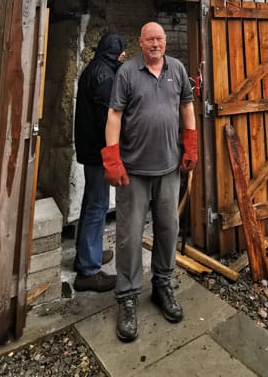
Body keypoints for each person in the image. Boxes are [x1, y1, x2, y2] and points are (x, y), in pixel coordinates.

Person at [102, 21, 197, 343]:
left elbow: (187, 105)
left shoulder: (178, 70)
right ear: (140, 43)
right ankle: (127, 297)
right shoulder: (127, 73)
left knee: (168, 229)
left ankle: (162, 285)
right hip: (133, 171)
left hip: (168, 168)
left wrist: (191, 143)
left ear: (165, 41)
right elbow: (114, 115)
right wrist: (112, 158)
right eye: (149, 39)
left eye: (159, 39)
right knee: (129, 236)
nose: (155, 44)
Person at [73, 32, 126, 292]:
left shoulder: (93, 68)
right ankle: (89, 270)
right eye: (122, 52)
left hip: (89, 148)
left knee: (90, 202)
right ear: (114, 52)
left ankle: (85, 254)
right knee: (97, 205)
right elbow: (108, 118)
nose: (124, 56)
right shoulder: (105, 76)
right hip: (98, 151)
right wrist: (113, 153)